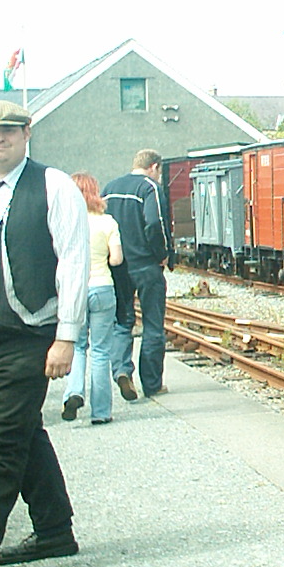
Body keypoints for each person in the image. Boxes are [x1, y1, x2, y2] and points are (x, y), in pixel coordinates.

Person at [0, 101, 89, 567]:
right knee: (19, 431)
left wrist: (66, 337)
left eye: (8, 130)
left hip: (29, 336)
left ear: (27, 132)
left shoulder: (53, 186)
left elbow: (73, 262)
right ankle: (55, 530)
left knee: (1, 442)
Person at [103, 149, 173, 400]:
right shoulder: (149, 188)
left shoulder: (110, 188)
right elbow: (156, 224)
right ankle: (152, 384)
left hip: (117, 266)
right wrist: (161, 253)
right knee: (153, 325)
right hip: (146, 265)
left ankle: (122, 370)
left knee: (122, 321)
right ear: (154, 167)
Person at [60, 173, 124, 425]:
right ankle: (101, 412)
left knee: (76, 347)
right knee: (100, 351)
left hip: (74, 290)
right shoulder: (107, 222)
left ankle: (74, 392)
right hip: (102, 288)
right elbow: (116, 260)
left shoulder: (65, 222)